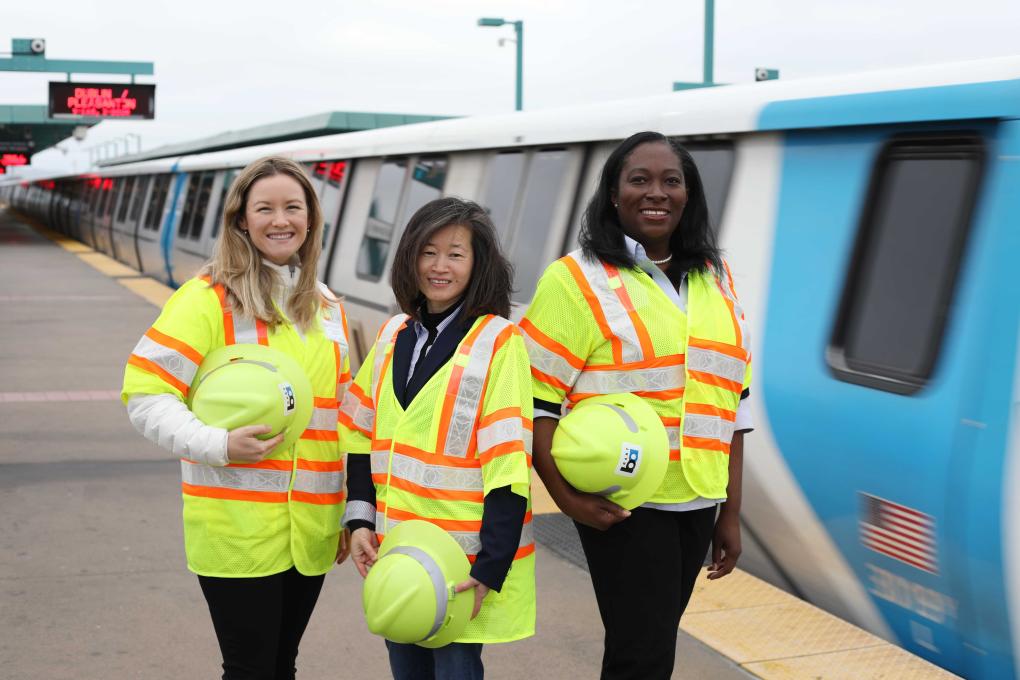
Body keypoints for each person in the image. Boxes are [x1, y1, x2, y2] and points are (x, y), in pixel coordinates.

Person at [520, 131, 753, 680]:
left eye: (672, 181)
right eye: (639, 179)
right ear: (613, 194)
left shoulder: (715, 278)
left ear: (689, 195)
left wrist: (732, 511)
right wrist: (566, 497)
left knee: (646, 650)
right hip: (623, 500)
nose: (657, 193)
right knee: (643, 657)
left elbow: (733, 404)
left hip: (696, 498)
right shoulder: (575, 279)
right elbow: (533, 401)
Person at [121, 156, 353, 680]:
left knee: (282, 664)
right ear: (240, 220)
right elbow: (144, 393)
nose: (280, 220)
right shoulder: (207, 300)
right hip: (236, 527)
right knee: (249, 669)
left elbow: (341, 415)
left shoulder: (326, 306)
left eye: (293, 207)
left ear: (311, 219)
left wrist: (348, 510)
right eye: (264, 208)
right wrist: (216, 444)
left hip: (311, 525)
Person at [341, 197, 535, 680]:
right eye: (428, 252)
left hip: (460, 563)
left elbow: (507, 461)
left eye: (455, 253)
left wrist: (491, 566)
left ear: (478, 263)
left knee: (455, 671)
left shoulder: (498, 341)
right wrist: (360, 519)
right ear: (410, 257)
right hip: (397, 552)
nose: (439, 266)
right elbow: (360, 435)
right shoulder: (390, 336)